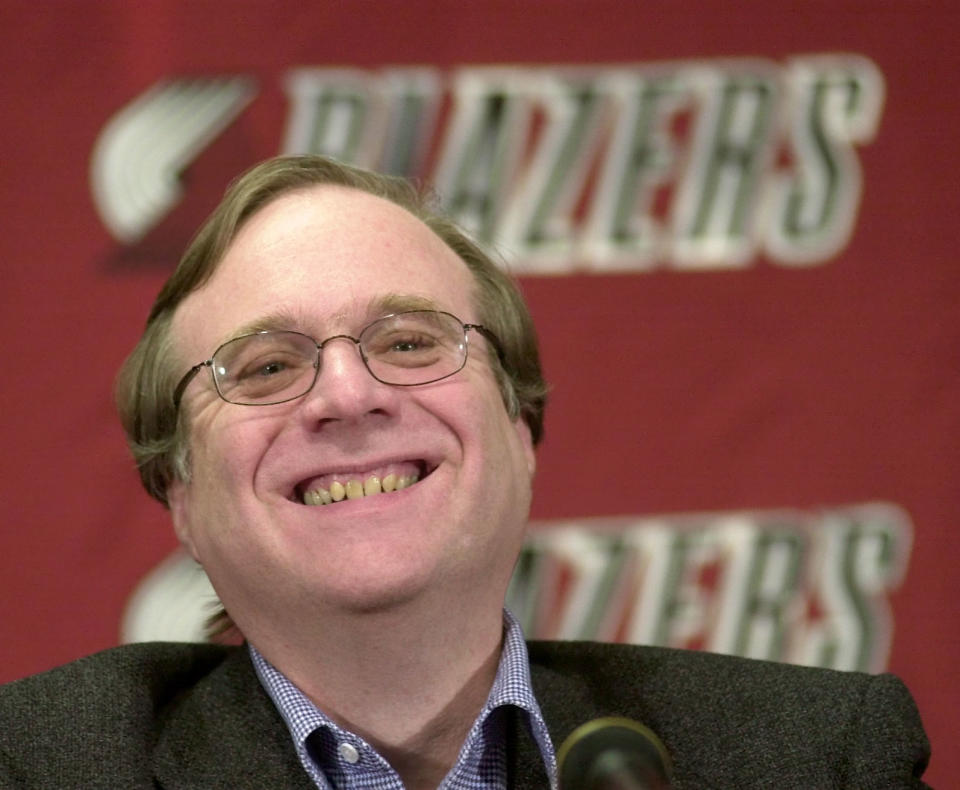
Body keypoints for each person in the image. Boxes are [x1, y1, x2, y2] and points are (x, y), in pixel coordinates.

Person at [0, 155, 930, 789]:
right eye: (267, 367)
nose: (346, 394)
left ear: (521, 428)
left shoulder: (813, 757)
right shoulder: (40, 764)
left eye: (408, 342)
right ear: (180, 495)